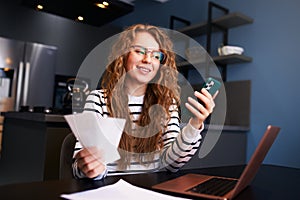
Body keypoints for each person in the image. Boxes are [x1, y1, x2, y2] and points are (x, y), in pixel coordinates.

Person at [72, 24, 218, 180]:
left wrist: (195, 125)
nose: (148, 60)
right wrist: (91, 168)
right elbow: (78, 169)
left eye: (156, 55)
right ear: (123, 55)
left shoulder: (167, 104)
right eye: (139, 51)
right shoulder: (98, 100)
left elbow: (172, 164)